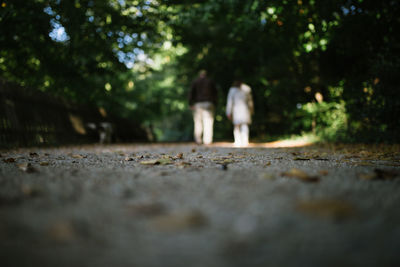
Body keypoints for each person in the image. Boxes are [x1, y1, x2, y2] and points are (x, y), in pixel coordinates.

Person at [188, 70, 218, 145]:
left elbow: (191, 93)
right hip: (208, 103)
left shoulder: (195, 81)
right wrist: (215, 103)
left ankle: (198, 140)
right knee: (208, 122)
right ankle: (207, 140)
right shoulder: (210, 81)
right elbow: (215, 93)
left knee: (198, 122)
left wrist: (190, 103)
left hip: (198, 104)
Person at [226, 80, 254, 147]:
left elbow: (230, 101)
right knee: (244, 125)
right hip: (245, 109)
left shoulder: (232, 90)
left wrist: (228, 112)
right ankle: (245, 141)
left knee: (237, 126)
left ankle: (237, 141)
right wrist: (251, 109)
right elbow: (250, 101)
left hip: (236, 109)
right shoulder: (247, 89)